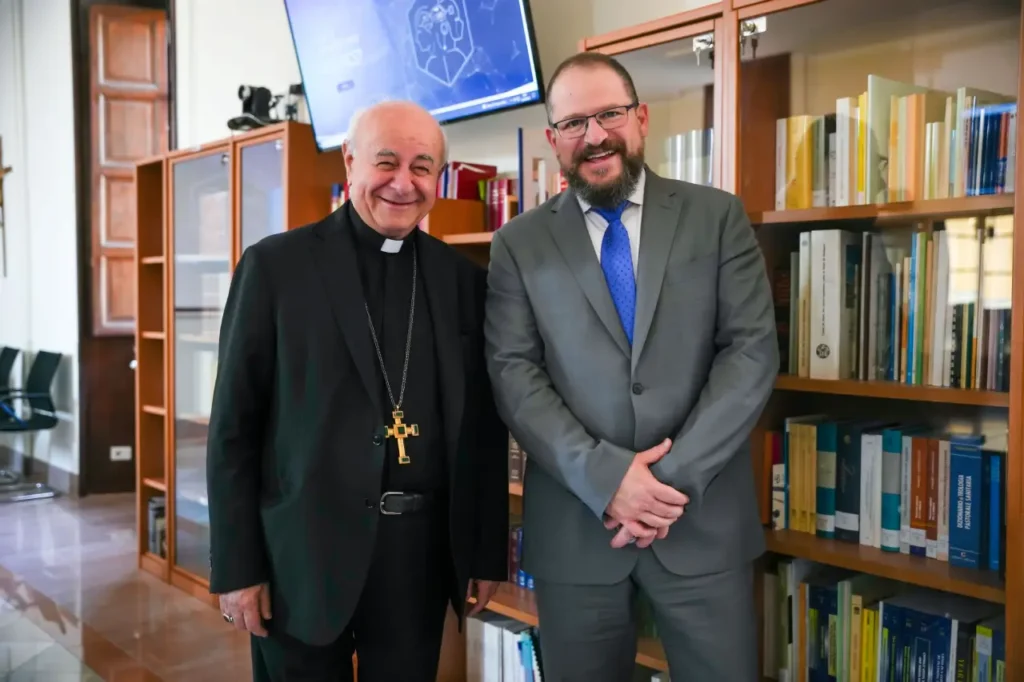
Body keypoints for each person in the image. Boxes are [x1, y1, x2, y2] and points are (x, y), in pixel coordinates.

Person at [484, 52, 778, 681]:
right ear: (553, 139)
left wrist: (664, 485)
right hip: (576, 533)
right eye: (574, 123)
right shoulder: (518, 242)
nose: (594, 136)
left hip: (701, 523)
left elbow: (750, 352)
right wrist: (607, 480)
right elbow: (513, 372)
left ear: (640, 118)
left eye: (610, 114)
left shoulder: (717, 217)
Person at [207, 99, 509, 682]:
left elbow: (482, 431)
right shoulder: (275, 268)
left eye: (422, 167)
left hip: (418, 563)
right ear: (350, 162)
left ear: (439, 179)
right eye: (386, 162)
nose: (403, 183)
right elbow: (233, 430)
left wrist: (483, 551)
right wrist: (237, 567)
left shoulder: (462, 282)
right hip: (301, 559)